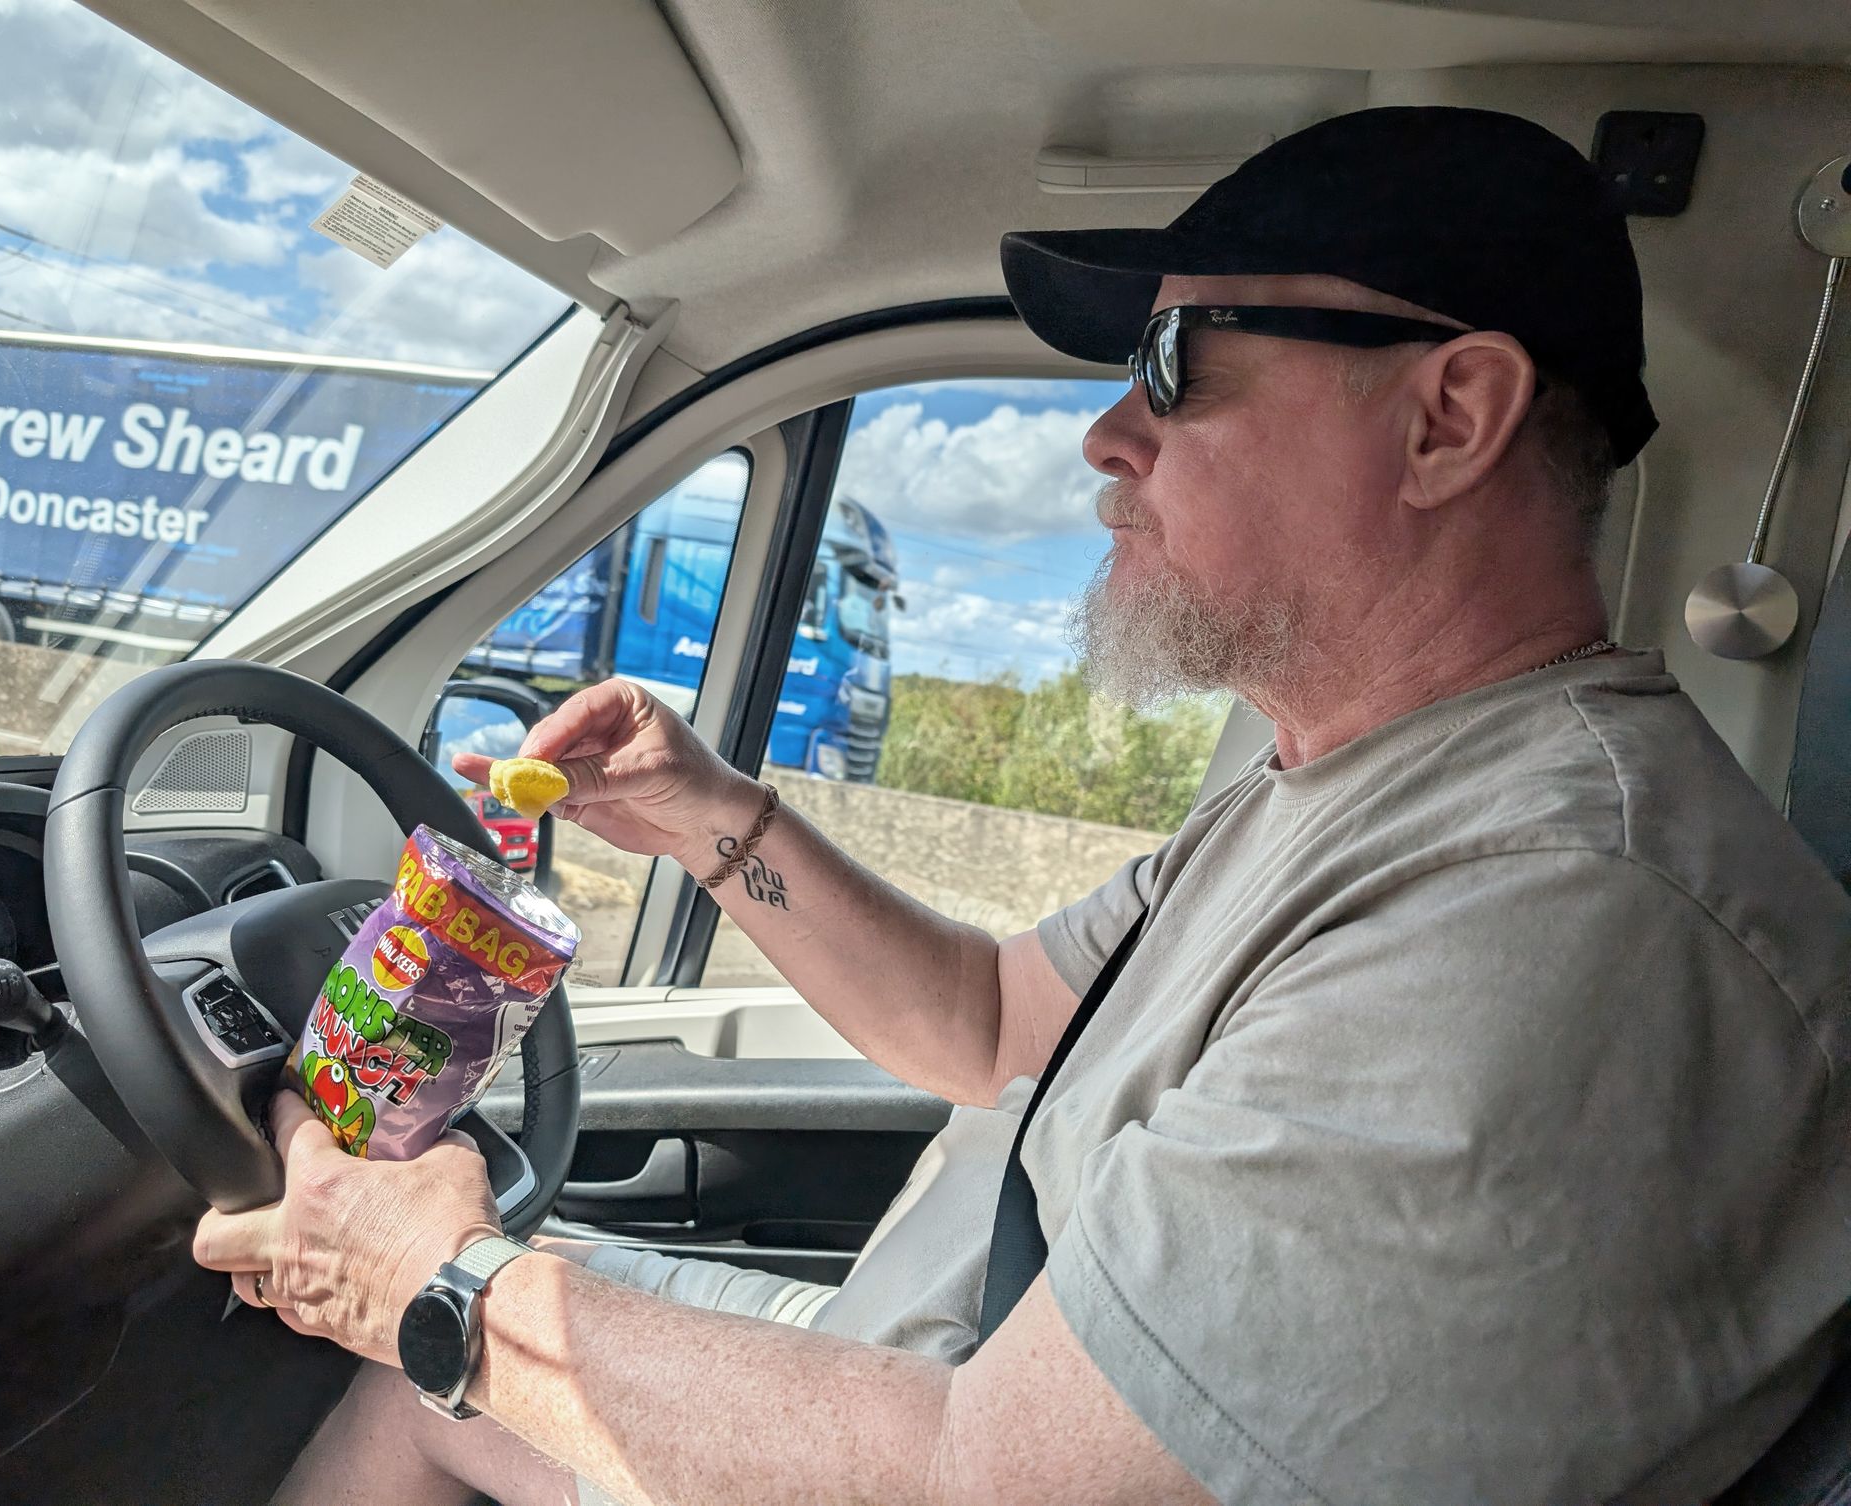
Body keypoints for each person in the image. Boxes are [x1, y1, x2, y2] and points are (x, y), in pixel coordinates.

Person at [194, 106, 1851, 1505]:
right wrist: (708, 818)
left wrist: (440, 1289)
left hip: (972, 1449)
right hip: (945, 1386)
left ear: (1449, 417)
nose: (1109, 434)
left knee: (424, 1366)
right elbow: (989, 1021)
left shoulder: (1550, 910)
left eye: (1176, 360)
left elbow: (1005, 1485)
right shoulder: (1345, 791)